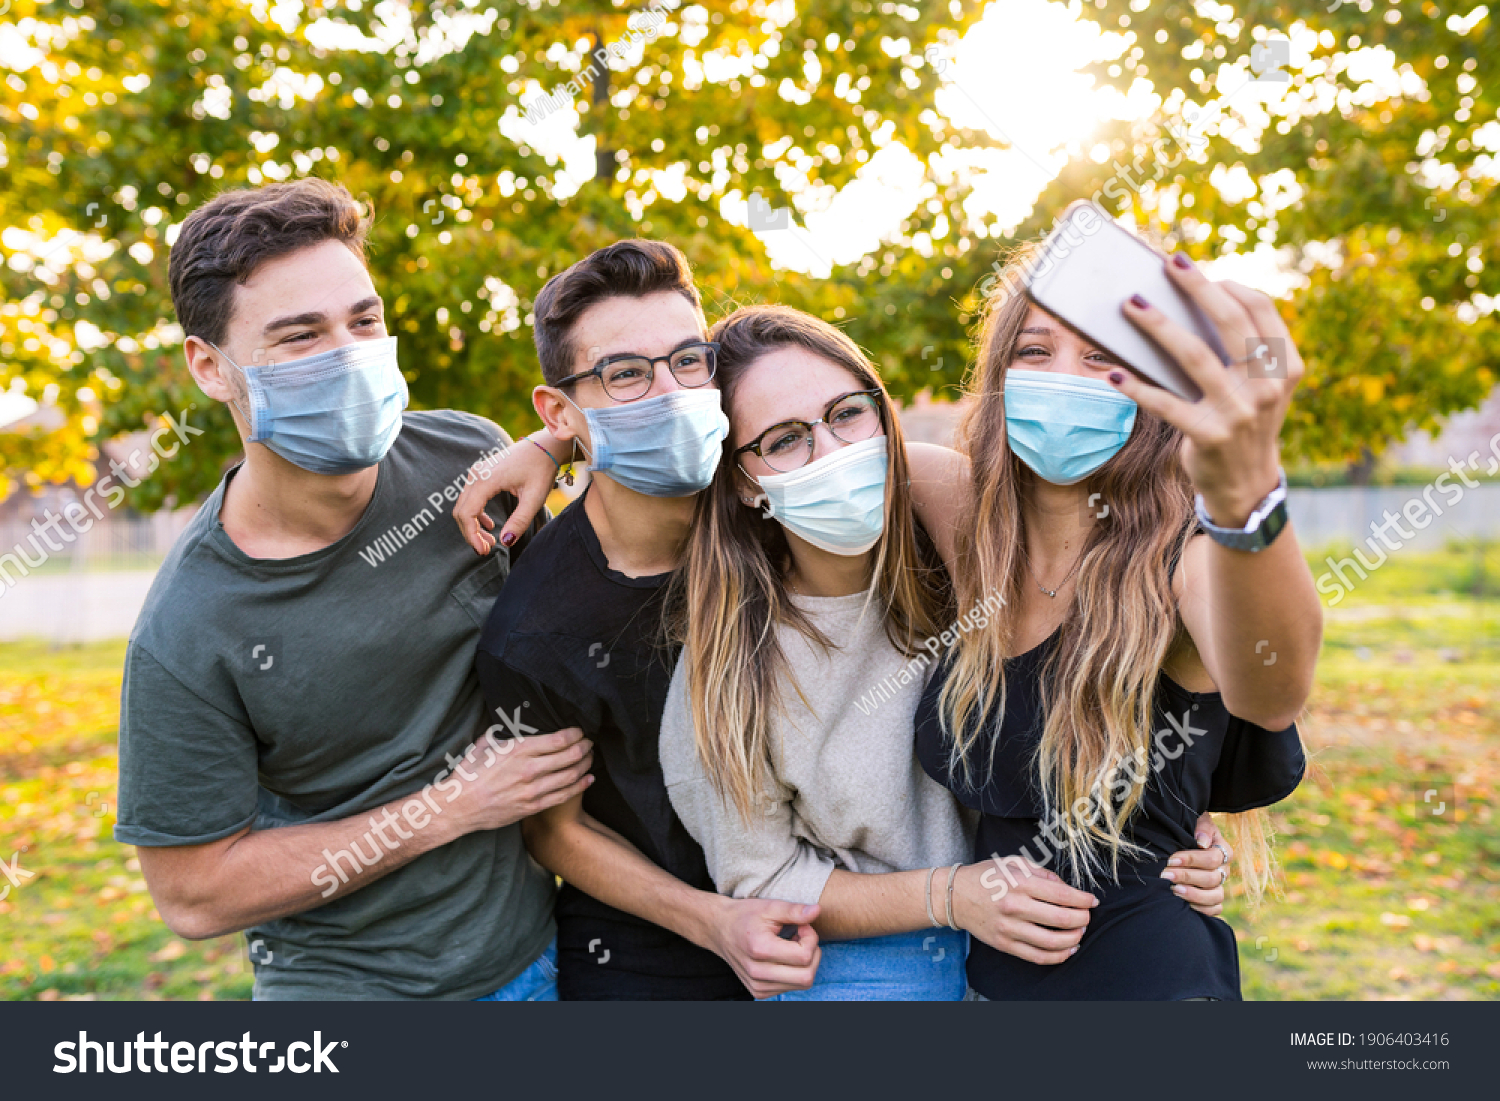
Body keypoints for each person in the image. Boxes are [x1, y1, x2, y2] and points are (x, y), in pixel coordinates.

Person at [461, 278, 1237, 997]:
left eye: (846, 413)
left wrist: (1175, 820)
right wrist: (557, 441)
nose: (833, 455)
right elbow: (750, 872)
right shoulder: (722, 651)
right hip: (862, 945)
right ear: (741, 474)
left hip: (1032, 921)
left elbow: (1127, 644)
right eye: (785, 439)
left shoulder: (959, 528)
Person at [115, 179, 593, 1001]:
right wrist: (448, 808)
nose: (348, 352)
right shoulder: (188, 627)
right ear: (209, 367)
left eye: (363, 321)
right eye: (300, 336)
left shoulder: (470, 463)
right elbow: (193, 892)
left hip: (543, 955)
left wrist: (559, 444)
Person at [915, 244, 1320, 1000]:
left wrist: (1249, 496)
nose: (1064, 376)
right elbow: (802, 447)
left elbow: (1274, 688)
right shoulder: (959, 514)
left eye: (1105, 356)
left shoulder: (1184, 560)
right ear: (1000, 376)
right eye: (1034, 350)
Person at [469, 240, 824, 1000]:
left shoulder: (776, 492)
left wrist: (552, 447)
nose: (670, 392)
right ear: (561, 410)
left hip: (838, 920)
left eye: (687, 361)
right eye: (626, 374)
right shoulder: (537, 626)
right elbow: (555, 830)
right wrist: (713, 921)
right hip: (653, 955)